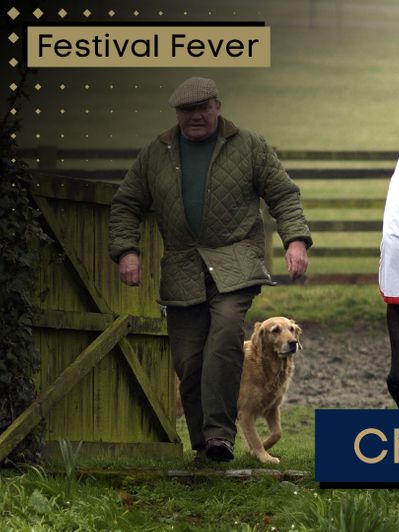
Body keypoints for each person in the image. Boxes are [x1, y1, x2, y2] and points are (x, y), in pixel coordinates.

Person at [108, 77, 312, 463]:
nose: (195, 117)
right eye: (186, 111)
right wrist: (127, 251)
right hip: (182, 268)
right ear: (177, 114)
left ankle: (220, 436)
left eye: (202, 108)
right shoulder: (157, 153)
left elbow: (283, 193)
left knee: (222, 343)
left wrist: (296, 240)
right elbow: (125, 204)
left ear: (217, 106)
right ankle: (204, 444)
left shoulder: (249, 146)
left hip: (235, 263)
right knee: (188, 360)